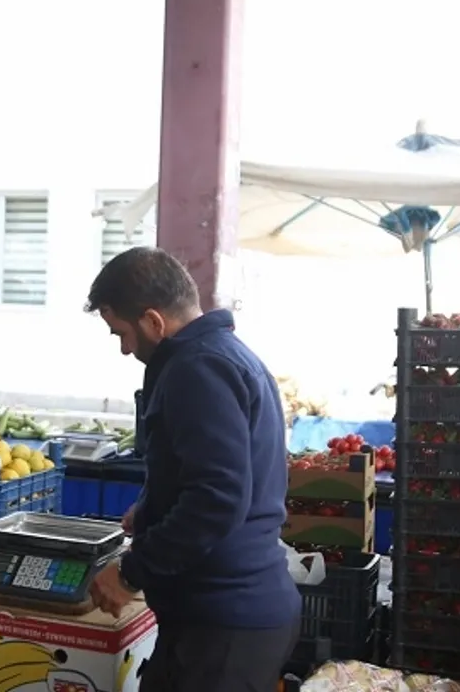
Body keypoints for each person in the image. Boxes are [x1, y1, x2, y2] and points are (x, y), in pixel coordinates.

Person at [83, 247, 300, 692]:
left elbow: (217, 498)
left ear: (153, 321)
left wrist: (129, 573)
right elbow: (215, 474)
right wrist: (153, 508)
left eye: (121, 333)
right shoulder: (224, 355)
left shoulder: (197, 368)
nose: (124, 349)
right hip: (220, 618)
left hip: (224, 624)